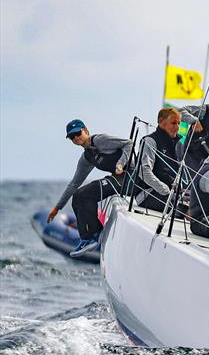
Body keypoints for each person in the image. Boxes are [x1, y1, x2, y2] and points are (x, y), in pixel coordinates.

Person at [48, 119, 133, 257]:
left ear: (86, 130)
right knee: (77, 196)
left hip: (132, 177)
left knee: (86, 194)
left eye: (78, 133)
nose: (76, 138)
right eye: (71, 136)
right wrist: (57, 208)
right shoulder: (87, 157)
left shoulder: (100, 140)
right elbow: (74, 184)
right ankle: (86, 238)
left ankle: (94, 235)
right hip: (119, 180)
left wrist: (120, 164)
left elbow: (129, 143)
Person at [132, 107, 181, 211]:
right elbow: (143, 171)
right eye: (173, 123)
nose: (177, 127)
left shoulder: (177, 145)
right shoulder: (150, 141)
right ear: (161, 122)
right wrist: (165, 191)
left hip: (169, 194)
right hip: (148, 194)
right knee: (186, 210)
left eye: (179, 123)